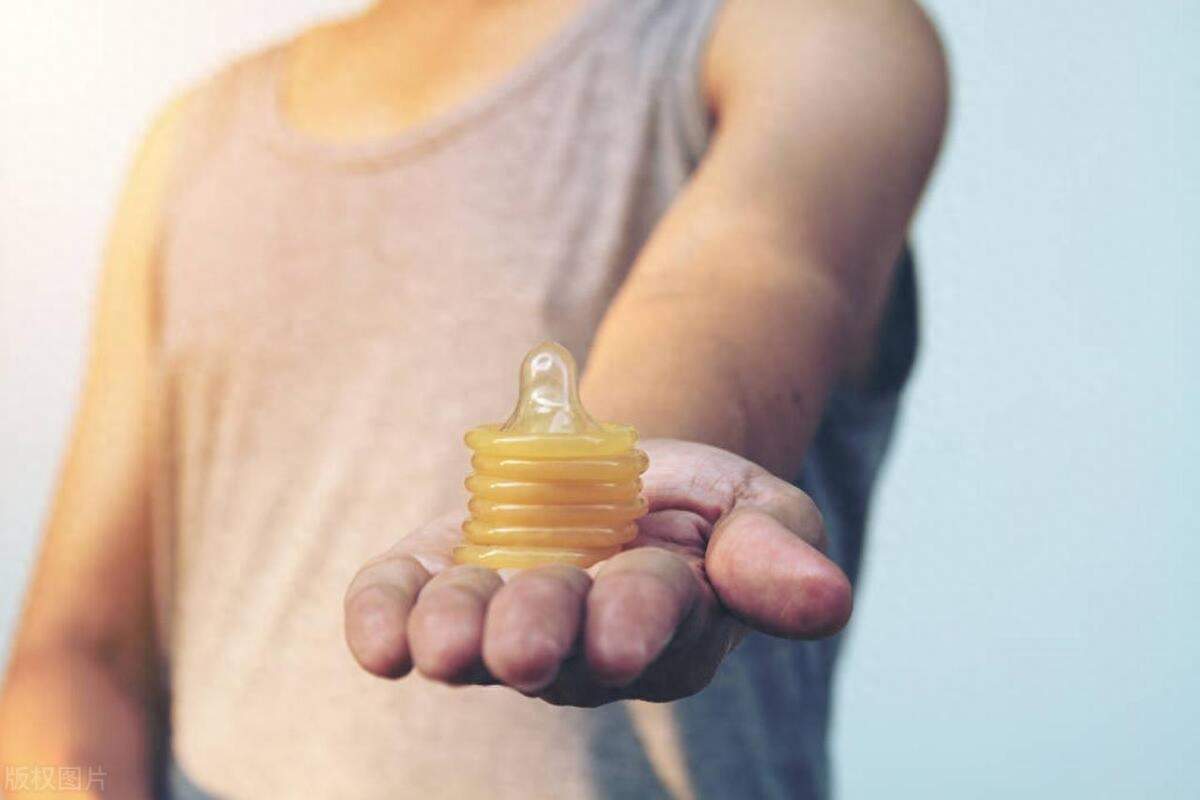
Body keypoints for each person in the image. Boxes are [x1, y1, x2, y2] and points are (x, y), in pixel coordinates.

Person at [0, 0, 947, 797]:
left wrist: (638, 483)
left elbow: (734, 279)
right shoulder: (192, 144)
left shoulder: (804, 32)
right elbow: (81, 651)